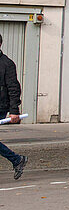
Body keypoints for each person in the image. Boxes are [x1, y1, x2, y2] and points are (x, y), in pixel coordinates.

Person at [0, 34, 28, 180]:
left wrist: (14, 111)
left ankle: (17, 160)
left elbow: (13, 88)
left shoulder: (7, 64)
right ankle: (17, 160)